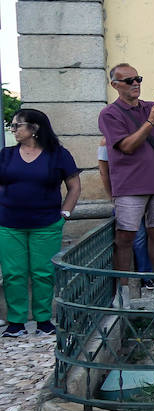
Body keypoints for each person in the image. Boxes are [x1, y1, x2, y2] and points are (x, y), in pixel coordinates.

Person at [97, 63, 154, 303]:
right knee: (125, 237)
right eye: (128, 80)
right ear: (114, 85)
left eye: (137, 78)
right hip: (129, 186)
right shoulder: (110, 114)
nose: (135, 83)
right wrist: (150, 122)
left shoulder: (152, 107)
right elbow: (127, 146)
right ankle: (123, 289)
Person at [0, 109, 80, 337]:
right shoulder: (5, 155)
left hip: (46, 224)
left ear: (34, 128)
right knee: (13, 273)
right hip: (9, 225)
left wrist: (65, 214)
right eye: (12, 126)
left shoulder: (58, 154)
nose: (13, 130)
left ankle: (44, 320)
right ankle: (16, 323)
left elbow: (74, 185)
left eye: (17, 125)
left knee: (43, 273)